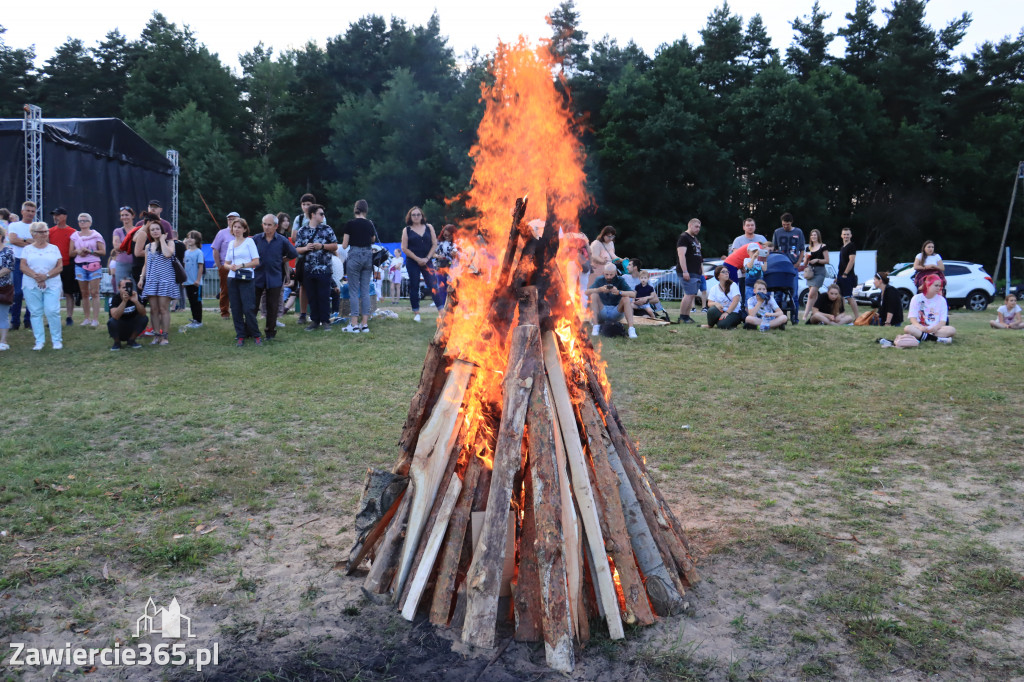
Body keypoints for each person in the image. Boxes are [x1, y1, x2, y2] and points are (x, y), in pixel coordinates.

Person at [20, 222, 64, 350]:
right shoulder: (27, 249)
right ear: (33, 234)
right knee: (35, 312)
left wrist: (47, 276)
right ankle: (39, 341)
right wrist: (36, 277)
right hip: (31, 284)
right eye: (41, 232)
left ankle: (57, 340)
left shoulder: (54, 248)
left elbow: (59, 266)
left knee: (52, 311)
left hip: (52, 284)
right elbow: (23, 266)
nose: (45, 234)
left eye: (46, 231)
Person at [253, 214, 297, 340]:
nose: (266, 227)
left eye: (269, 225)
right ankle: (250, 330)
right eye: (264, 224)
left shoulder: (282, 240)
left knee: (272, 307)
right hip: (258, 276)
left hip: (275, 277)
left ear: (276, 226)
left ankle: (270, 333)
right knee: (253, 306)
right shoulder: (256, 239)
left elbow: (293, 253)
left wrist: (281, 260)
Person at [294, 204, 337, 331]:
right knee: (312, 296)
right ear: (313, 215)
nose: (323, 216)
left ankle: (325, 321)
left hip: (324, 268)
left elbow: (335, 246)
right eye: (321, 214)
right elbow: (297, 249)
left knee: (324, 295)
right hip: (308, 269)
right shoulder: (302, 231)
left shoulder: (327, 229)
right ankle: (314, 320)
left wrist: (322, 246)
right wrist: (306, 248)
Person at [884, 274, 955, 347]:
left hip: (936, 330)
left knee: (951, 330)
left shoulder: (942, 300)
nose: (938, 288)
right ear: (928, 285)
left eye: (940, 286)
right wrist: (920, 327)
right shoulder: (916, 298)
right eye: (936, 285)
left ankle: (923, 337)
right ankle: (938, 339)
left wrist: (936, 328)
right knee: (908, 328)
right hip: (920, 328)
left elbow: (943, 321)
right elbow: (913, 318)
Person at [223, 218, 262, 345]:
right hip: (232, 278)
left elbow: (256, 261)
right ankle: (240, 335)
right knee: (235, 308)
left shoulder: (249, 242)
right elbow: (226, 263)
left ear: (245, 229)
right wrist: (231, 267)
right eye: (235, 227)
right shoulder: (230, 244)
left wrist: (242, 265)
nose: (237, 229)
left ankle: (256, 335)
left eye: (240, 227)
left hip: (246, 278)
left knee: (248, 308)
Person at [138, 219, 178, 345]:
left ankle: (165, 336)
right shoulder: (148, 246)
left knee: (163, 309)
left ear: (162, 231)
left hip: (165, 280)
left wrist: (162, 240)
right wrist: (141, 278)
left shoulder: (170, 243)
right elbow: (146, 264)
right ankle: (156, 335)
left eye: (157, 229)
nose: (155, 231)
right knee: (153, 310)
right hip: (151, 281)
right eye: (152, 230)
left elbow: (167, 254)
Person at [341, 199, 377, 333]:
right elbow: (372, 239)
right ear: (366, 210)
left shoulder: (350, 224)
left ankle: (354, 324)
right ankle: (365, 324)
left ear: (355, 209)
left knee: (354, 291)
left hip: (355, 255)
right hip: (368, 256)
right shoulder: (369, 224)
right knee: (365, 291)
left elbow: (344, 245)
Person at [401, 206, 441, 322]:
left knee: (433, 284)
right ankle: (416, 313)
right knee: (414, 285)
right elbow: (404, 248)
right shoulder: (406, 230)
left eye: (418, 214)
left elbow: (434, 244)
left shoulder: (429, 227)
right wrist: (418, 259)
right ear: (410, 216)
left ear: (422, 216)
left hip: (427, 260)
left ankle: (441, 311)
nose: (416, 217)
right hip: (412, 261)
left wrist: (427, 258)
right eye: (414, 215)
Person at [69, 212, 106, 328]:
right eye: (80, 221)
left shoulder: (96, 235)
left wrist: (90, 251)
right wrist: (78, 251)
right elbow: (71, 253)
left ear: (90, 222)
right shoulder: (74, 236)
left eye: (84, 220)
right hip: (80, 265)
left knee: (95, 292)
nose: (82, 222)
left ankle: (95, 319)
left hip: (94, 264)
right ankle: (86, 318)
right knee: (84, 293)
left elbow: (103, 252)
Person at [6, 201, 37, 330]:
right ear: (22, 211)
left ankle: (28, 320)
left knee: (31, 292)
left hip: (32, 261)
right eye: (28, 210)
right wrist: (29, 241)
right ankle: (15, 320)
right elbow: (13, 240)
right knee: (18, 292)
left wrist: (22, 240)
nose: (30, 213)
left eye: (32, 211)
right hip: (18, 261)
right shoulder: (14, 225)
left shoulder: (36, 226)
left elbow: (41, 241)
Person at [586, 262, 637, 338]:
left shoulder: (620, 280)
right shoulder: (599, 279)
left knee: (626, 297)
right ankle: (595, 326)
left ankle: (631, 328)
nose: (609, 277)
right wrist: (600, 289)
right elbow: (586, 292)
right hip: (602, 310)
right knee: (593, 295)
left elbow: (633, 294)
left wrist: (619, 292)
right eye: (606, 274)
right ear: (603, 273)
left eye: (611, 275)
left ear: (615, 273)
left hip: (616, 311)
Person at [48, 207, 79, 326]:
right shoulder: (50, 231)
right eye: (54, 215)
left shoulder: (73, 232)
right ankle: (53, 316)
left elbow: (75, 248)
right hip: (53, 266)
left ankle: (69, 317)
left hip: (67, 265)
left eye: (58, 215)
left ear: (64, 216)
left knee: (68, 292)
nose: (55, 217)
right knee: (53, 292)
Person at [211, 212, 239, 319]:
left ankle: (238, 311)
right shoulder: (222, 233)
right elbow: (215, 249)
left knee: (239, 290)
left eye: (233, 219)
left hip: (240, 266)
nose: (230, 221)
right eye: (229, 219)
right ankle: (224, 312)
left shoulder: (242, 233)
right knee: (225, 290)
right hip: (226, 266)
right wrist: (219, 266)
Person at [292, 193, 316, 323]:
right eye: (304, 204)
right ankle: (302, 313)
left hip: (317, 257)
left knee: (316, 285)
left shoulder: (320, 216)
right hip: (301, 256)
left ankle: (315, 313)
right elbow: (294, 237)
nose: (306, 207)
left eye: (308, 204)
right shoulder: (299, 219)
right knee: (303, 286)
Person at [675, 218, 703, 324]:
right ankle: (682, 317)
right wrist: (685, 271)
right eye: (696, 226)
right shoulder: (684, 237)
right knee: (688, 293)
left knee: (692, 294)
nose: (698, 229)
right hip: (688, 271)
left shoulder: (695, 239)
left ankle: (687, 316)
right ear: (690, 225)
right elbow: (681, 255)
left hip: (695, 271)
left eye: (699, 227)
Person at [107, 277, 147, 350]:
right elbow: (115, 316)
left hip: (132, 326)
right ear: (119, 288)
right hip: (119, 327)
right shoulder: (114, 299)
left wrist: (136, 301)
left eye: (129, 287)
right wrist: (124, 302)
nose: (126, 289)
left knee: (144, 318)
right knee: (112, 321)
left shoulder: (136, 296)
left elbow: (143, 313)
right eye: (124, 287)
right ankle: (117, 343)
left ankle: (131, 340)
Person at [800, 229, 828, 322]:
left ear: (818, 236)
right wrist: (806, 258)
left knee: (811, 294)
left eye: (815, 235)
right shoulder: (809, 248)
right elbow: (804, 263)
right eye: (812, 235)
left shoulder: (823, 246)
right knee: (814, 295)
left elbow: (827, 261)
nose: (813, 237)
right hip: (811, 272)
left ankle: (805, 315)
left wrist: (817, 260)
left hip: (820, 272)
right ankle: (815, 314)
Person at [704, 265, 743, 329]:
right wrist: (716, 304)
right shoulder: (714, 288)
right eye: (723, 272)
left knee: (722, 325)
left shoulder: (733, 285)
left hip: (733, 312)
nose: (726, 273)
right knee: (711, 310)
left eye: (727, 271)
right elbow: (709, 303)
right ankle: (710, 325)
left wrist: (727, 312)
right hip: (722, 311)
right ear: (718, 276)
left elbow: (735, 301)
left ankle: (726, 323)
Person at [183, 230, 205, 329]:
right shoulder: (186, 252)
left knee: (197, 302)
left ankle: (199, 321)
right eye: (188, 237)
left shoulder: (199, 252)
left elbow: (200, 267)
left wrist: (198, 280)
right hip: (187, 282)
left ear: (197, 240)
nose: (189, 239)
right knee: (191, 301)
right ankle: (194, 319)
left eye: (192, 237)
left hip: (196, 283)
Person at [111, 206, 136, 290]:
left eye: (127, 215)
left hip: (136, 264)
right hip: (122, 264)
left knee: (135, 290)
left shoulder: (138, 230)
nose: (124, 217)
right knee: (121, 290)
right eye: (122, 215)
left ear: (132, 216)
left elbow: (120, 247)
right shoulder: (117, 231)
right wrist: (132, 246)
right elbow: (116, 246)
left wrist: (123, 246)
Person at [433, 223, 457, 311]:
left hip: (452, 268)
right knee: (441, 288)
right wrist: (438, 256)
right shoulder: (439, 242)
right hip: (440, 267)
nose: (447, 236)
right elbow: (432, 253)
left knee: (451, 288)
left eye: (449, 235)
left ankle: (452, 307)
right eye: (445, 234)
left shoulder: (456, 243)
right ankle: (444, 307)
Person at [837, 227, 860, 318]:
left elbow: (851, 260)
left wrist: (845, 273)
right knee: (840, 297)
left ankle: (857, 318)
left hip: (848, 276)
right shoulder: (842, 247)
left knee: (849, 297)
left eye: (847, 234)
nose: (846, 236)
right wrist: (839, 275)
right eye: (844, 234)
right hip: (840, 275)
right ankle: (842, 316)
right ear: (841, 235)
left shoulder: (851, 246)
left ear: (851, 235)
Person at [588, 226, 618, 292]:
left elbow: (612, 255)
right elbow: (594, 256)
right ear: (603, 235)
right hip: (597, 271)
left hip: (608, 272)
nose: (611, 238)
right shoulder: (596, 243)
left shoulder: (611, 243)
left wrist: (621, 260)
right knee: (595, 289)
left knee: (607, 289)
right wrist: (603, 261)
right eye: (609, 236)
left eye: (612, 236)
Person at [0, 227, 12, 350]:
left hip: (3, 287)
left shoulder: (8, 251)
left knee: (2, 314)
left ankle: (3, 341)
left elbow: (8, 267)